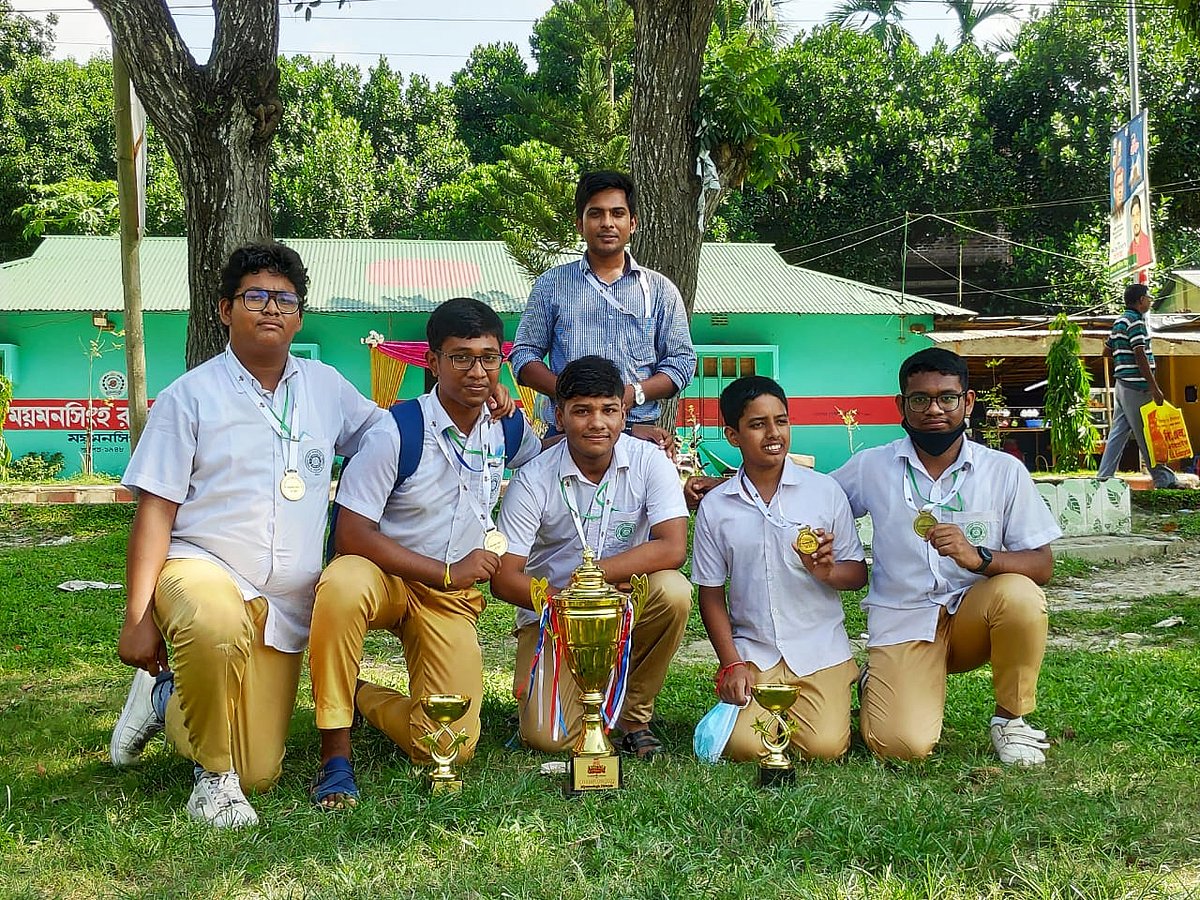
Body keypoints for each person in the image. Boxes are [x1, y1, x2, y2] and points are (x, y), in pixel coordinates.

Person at [110, 242, 386, 827]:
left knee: (259, 769)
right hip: (203, 570)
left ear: (300, 316)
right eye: (253, 296)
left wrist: (466, 402)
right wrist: (137, 617)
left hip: (286, 603)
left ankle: (162, 695)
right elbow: (155, 511)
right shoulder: (190, 397)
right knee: (214, 634)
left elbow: (383, 436)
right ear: (224, 310)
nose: (270, 309)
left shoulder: (325, 387)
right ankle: (211, 782)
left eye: (284, 299)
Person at [308, 298, 542, 808]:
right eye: (460, 357)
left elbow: (550, 458)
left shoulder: (507, 427)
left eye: (488, 357)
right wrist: (444, 570)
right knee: (343, 583)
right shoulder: (396, 429)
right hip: (386, 578)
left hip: (448, 599)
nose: (476, 371)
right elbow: (350, 533)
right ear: (432, 363)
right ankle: (335, 753)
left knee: (449, 747)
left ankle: (358, 695)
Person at [831, 347, 1061, 766]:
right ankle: (879, 681)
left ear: (967, 401)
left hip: (974, 619)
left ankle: (1011, 721)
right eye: (919, 399)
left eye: (947, 397)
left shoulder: (1003, 471)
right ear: (901, 405)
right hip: (904, 619)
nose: (934, 409)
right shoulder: (872, 467)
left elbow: (1041, 564)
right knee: (900, 747)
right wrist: (724, 484)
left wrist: (981, 559)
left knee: (1019, 595)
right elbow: (809, 497)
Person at [491, 355, 692, 759]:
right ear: (560, 417)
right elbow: (503, 577)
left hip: (621, 602)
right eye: (582, 411)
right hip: (554, 616)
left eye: (608, 410)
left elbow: (672, 546)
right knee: (549, 739)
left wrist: (593, 579)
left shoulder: (650, 462)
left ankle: (635, 716)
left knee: (673, 591)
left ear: (623, 414)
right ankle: (591, 705)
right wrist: (569, 603)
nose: (597, 423)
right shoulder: (532, 478)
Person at [692, 376, 866, 762]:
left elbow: (857, 575)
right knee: (745, 747)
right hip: (756, 653)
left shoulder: (824, 491)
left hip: (820, 649)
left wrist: (826, 572)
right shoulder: (717, 506)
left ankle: (847, 684)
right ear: (733, 436)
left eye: (781, 421)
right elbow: (711, 593)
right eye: (757, 424)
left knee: (824, 748)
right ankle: (754, 706)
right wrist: (732, 663)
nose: (773, 434)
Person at [508, 170, 696, 449]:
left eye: (617, 213)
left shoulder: (660, 290)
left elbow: (682, 362)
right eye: (595, 214)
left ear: (632, 223)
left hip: (638, 433)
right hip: (566, 434)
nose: (607, 223)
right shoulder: (552, 285)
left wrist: (634, 393)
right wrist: (571, 396)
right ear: (579, 224)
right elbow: (523, 355)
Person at [1097, 283, 1178, 488]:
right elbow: (1140, 352)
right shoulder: (1136, 322)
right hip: (1137, 386)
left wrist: (1121, 356)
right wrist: (1154, 387)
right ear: (1141, 300)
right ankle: (1162, 478)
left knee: (1118, 432)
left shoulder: (1119, 322)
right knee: (1147, 433)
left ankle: (1103, 477)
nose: (1150, 301)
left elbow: (1106, 351)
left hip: (1122, 385)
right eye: (1148, 297)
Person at [1128, 194, 1153, 270]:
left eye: (1138, 214)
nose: (1135, 220)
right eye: (1133, 215)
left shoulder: (1147, 242)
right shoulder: (1130, 247)